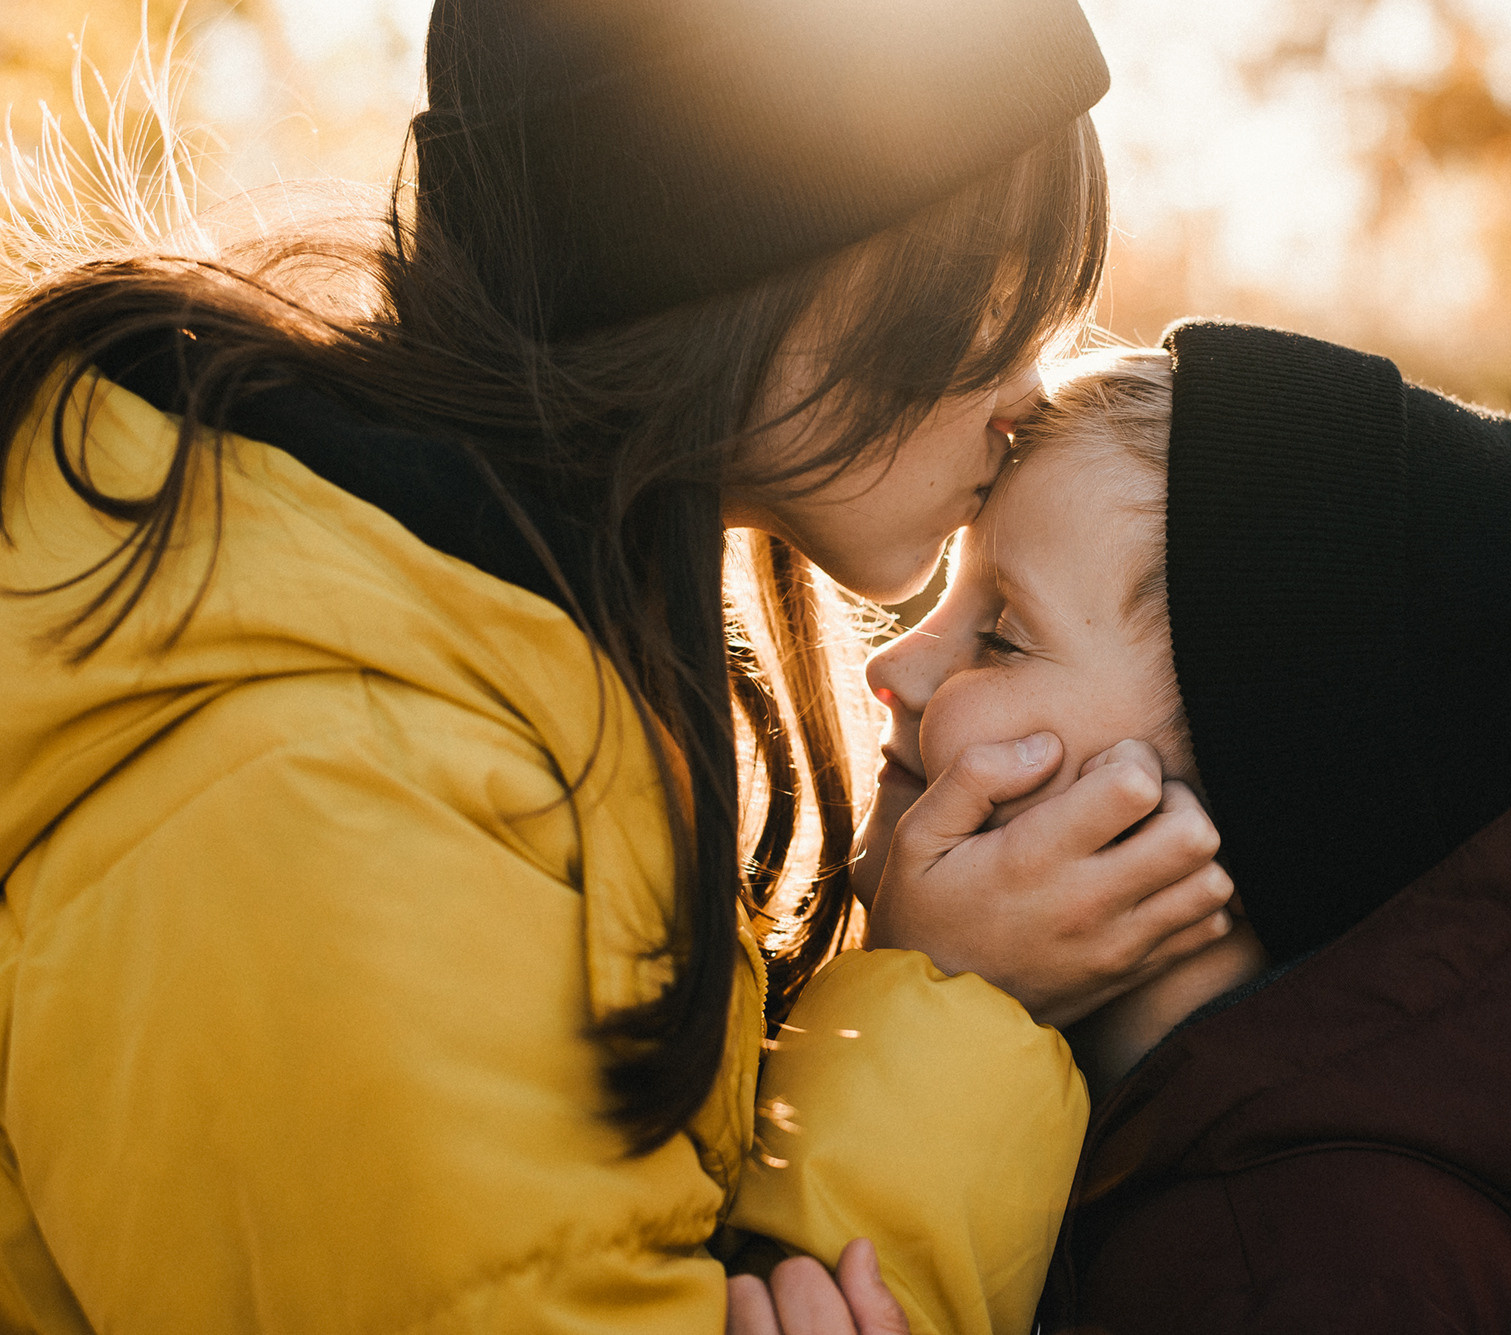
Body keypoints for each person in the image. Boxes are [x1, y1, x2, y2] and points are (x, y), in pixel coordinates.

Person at [0, 3, 1240, 1331]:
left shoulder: (486, 653)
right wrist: (960, 1008)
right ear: (738, 252)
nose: (1025, 397)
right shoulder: (333, 772)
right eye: (989, 306)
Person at [850, 322, 1511, 1333]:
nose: (894, 666)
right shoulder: (1186, 1157)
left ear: (1258, 789)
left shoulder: (1296, 1281)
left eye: (1001, 635)